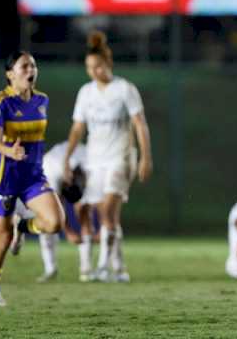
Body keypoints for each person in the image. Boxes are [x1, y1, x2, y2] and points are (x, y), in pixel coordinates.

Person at [64, 31, 153, 283]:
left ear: (108, 63)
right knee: (104, 215)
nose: (94, 71)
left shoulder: (124, 89)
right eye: (89, 67)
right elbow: (77, 128)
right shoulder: (86, 93)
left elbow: (140, 124)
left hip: (120, 157)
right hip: (95, 159)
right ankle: (119, 267)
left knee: (108, 210)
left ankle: (102, 267)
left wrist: (146, 157)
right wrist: (67, 158)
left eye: (98, 66)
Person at [0, 51, 65, 307]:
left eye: (33, 65)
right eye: (24, 66)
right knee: (3, 239)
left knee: (54, 223)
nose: (31, 70)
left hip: (32, 176)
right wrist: (11, 151)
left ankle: (23, 227)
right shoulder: (1, 102)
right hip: (4, 178)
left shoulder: (42, 100)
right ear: (10, 74)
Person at [36, 140, 88, 282]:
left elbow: (83, 207)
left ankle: (86, 268)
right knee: (49, 222)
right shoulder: (50, 171)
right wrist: (69, 232)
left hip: (77, 158)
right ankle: (50, 268)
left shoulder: (90, 167)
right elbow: (55, 210)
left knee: (84, 214)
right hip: (52, 165)